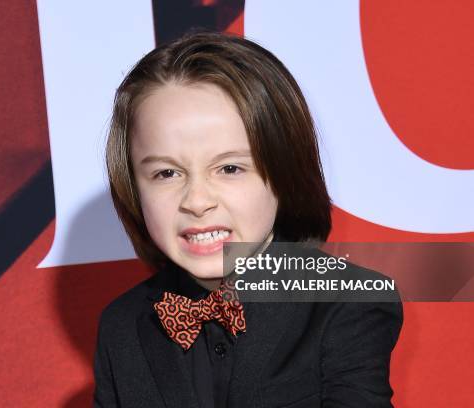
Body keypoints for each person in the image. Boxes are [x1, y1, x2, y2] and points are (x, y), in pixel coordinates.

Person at [95, 31, 402, 407]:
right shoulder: (122, 326)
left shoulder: (345, 303)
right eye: (166, 174)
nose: (197, 200)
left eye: (229, 168)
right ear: (132, 187)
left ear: (284, 171)